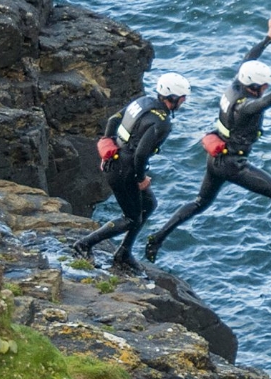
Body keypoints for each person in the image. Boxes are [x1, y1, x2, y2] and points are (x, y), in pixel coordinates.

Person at [143, 16, 271, 263]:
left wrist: (268, 40)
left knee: (199, 202)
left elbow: (248, 61)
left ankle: (157, 238)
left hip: (216, 156)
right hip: (233, 164)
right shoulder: (246, 106)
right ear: (254, 87)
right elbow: (266, 102)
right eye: (263, 85)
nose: (265, 88)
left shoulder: (235, 86)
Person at [73, 72, 190, 273]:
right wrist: (141, 179)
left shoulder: (144, 101)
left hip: (116, 160)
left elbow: (113, 119)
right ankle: (83, 244)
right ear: (175, 98)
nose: (184, 102)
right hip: (125, 169)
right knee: (131, 218)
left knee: (149, 204)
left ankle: (124, 253)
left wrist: (108, 144)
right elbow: (141, 155)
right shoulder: (162, 123)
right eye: (183, 98)